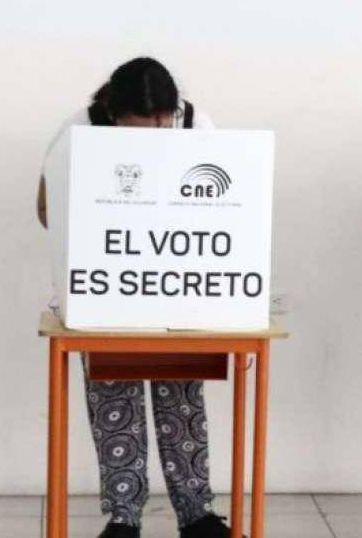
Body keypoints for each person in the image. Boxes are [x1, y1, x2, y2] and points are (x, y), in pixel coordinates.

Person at [37, 57, 238, 538]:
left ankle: (197, 515)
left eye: (162, 125)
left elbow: (226, 203)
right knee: (114, 399)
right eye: (139, 129)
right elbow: (46, 209)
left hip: (179, 287)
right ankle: (124, 518)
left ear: (173, 111)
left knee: (182, 398)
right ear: (113, 112)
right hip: (109, 290)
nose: (155, 136)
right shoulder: (79, 131)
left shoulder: (196, 125)